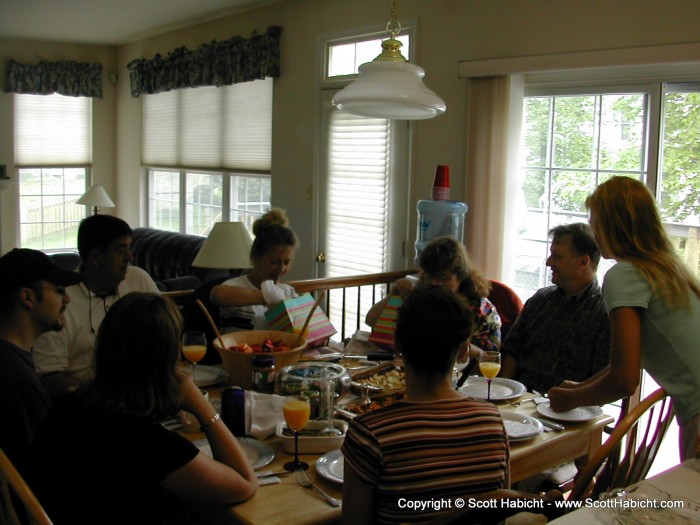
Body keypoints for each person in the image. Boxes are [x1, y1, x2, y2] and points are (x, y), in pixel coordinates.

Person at [30, 292, 258, 525]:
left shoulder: (69, 407)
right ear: (166, 358)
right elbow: (244, 484)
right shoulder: (147, 443)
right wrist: (202, 407)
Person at [549, 176, 700, 461]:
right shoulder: (668, 268)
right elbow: (632, 362)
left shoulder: (624, 275)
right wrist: (580, 388)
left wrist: (572, 399)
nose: (593, 231)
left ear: (609, 226)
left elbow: (624, 379)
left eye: (595, 222)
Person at [342, 285, 509, 524]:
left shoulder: (369, 435)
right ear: (464, 351)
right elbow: (501, 513)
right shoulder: (492, 421)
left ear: (397, 344)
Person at [32, 215, 160, 399]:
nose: (130, 257)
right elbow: (49, 375)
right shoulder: (60, 302)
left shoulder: (138, 279)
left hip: (147, 393)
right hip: (89, 405)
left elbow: (167, 329)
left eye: (130, 248)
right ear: (96, 257)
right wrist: (105, 395)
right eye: (121, 250)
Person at [500, 223, 611, 393]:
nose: (548, 262)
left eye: (557, 257)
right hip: (520, 402)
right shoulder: (540, 299)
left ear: (583, 262)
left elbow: (604, 379)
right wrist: (503, 396)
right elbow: (512, 351)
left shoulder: (605, 314)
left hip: (570, 410)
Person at [0, 249, 82, 477]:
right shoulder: (18, 379)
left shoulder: (12, 360)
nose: (67, 299)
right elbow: (47, 467)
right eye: (58, 290)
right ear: (28, 297)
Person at [366, 236, 501, 355]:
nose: (436, 283)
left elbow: (489, 359)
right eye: (431, 276)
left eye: (443, 277)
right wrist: (393, 297)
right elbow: (371, 320)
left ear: (460, 276)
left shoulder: (481, 309)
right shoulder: (421, 295)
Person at [210, 208, 298, 330]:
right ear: (255, 256)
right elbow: (218, 295)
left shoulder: (286, 291)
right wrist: (268, 297)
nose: (281, 268)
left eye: (287, 262)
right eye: (274, 261)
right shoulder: (235, 285)